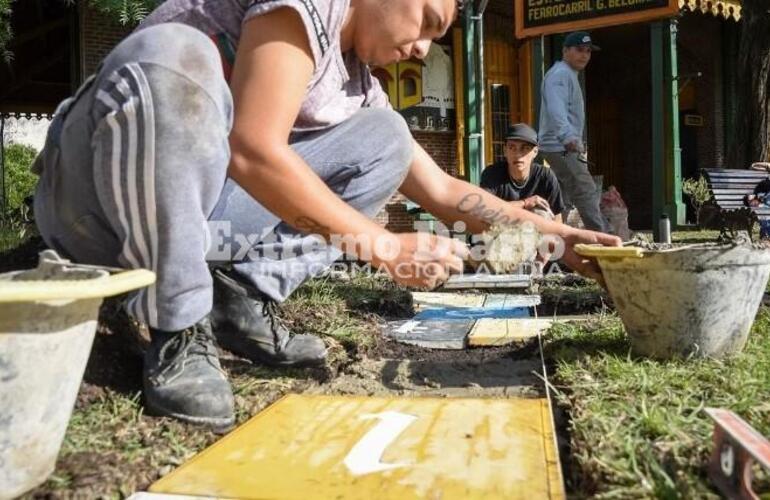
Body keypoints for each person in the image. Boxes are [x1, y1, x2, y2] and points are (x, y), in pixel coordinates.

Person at [32, 0, 620, 429]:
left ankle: (238, 298)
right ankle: (176, 325)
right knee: (176, 54)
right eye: (426, 22)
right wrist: (383, 247)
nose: (423, 49)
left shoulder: (355, 82)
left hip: (194, 220)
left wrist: (557, 238)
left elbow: (442, 189)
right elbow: (253, 149)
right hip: (95, 205)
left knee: (387, 137)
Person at [538, 31, 609, 232]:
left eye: (588, 51)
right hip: (561, 146)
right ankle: (604, 238)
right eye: (579, 50)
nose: (584, 55)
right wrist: (567, 137)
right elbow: (556, 108)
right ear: (565, 51)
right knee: (585, 189)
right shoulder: (560, 74)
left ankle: (556, 238)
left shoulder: (565, 74)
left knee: (564, 197)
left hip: (559, 145)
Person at [481, 123, 565, 223]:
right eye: (512, 148)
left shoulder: (545, 176)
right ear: (505, 151)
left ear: (535, 152)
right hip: (501, 229)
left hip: (536, 231)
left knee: (540, 212)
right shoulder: (492, 174)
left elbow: (557, 217)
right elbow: (484, 210)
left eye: (525, 148)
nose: (518, 154)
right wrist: (525, 203)